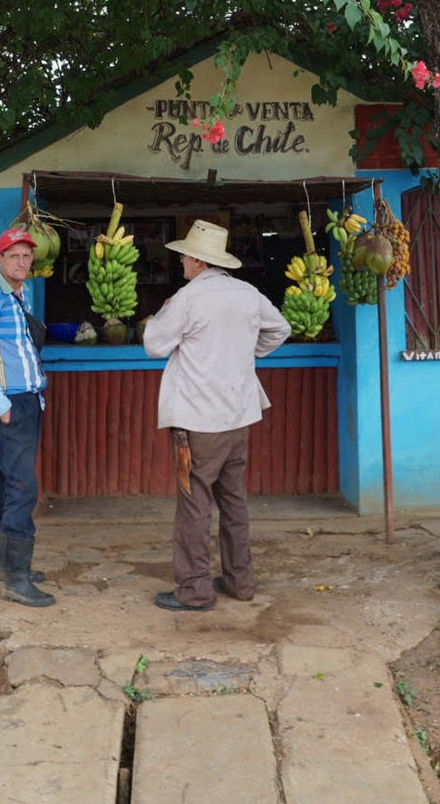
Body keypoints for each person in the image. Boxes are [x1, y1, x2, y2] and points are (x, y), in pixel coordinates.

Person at [142, 218, 291, 611]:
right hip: (238, 418)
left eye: (184, 258)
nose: (181, 265)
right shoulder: (247, 293)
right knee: (234, 500)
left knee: (194, 505)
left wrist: (164, 311)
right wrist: (246, 354)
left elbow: (154, 344)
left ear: (197, 260)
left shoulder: (188, 299)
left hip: (198, 421)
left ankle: (194, 590)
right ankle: (240, 582)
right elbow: (281, 329)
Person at [0, 228, 54, 607]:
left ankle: (4, 565)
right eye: (14, 256)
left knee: (5, 474)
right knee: (22, 486)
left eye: (26, 256)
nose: (22, 261)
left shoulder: (23, 294)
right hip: (10, 403)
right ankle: (16, 580)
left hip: (28, 399)